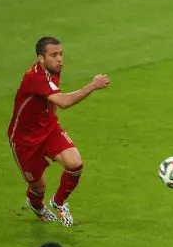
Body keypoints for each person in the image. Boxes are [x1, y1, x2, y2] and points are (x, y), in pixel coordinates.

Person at [8, 36, 110, 226]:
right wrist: (93, 85)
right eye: (53, 55)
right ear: (40, 58)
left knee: (75, 164)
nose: (59, 59)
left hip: (49, 128)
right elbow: (63, 102)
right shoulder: (35, 77)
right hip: (25, 139)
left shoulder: (52, 69)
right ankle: (36, 205)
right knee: (38, 186)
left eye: (61, 54)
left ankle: (59, 202)